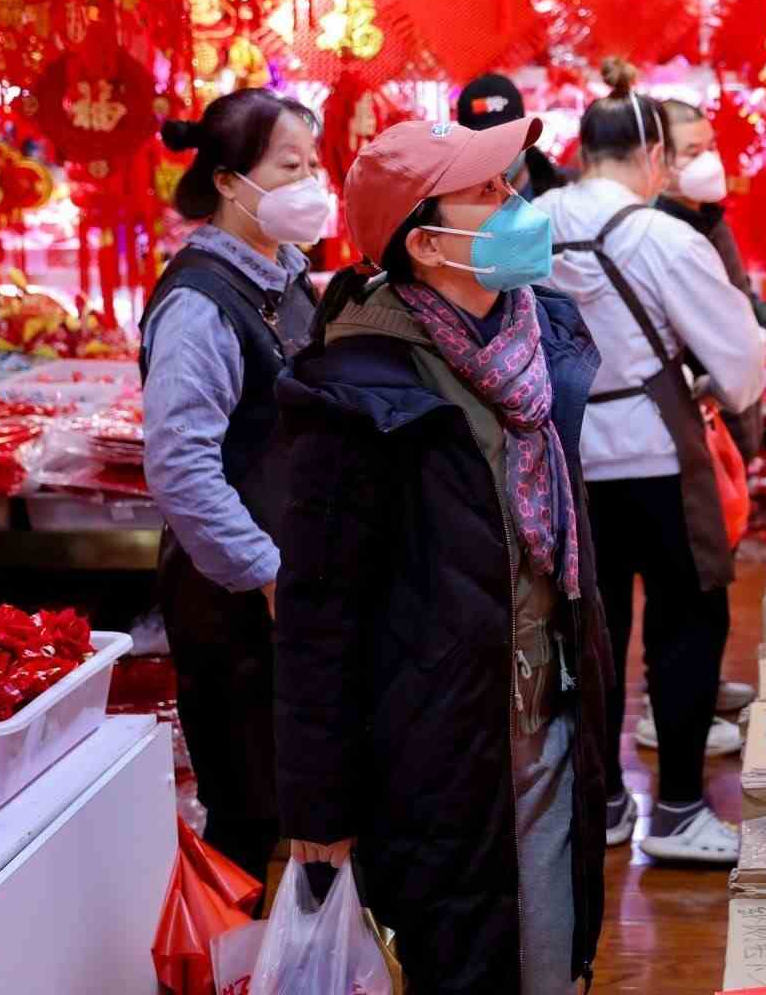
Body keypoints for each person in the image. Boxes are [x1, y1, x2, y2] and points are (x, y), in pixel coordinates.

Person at [271, 117, 613, 995]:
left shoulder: (541, 336)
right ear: (425, 243)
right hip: (436, 739)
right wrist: (318, 801)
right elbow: (317, 612)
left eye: (509, 182)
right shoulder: (353, 392)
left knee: (555, 952)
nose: (516, 202)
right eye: (487, 192)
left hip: (554, 705)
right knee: (469, 960)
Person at [539, 59, 766, 864]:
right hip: (658, 457)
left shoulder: (528, 225)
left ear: (581, 150)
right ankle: (676, 809)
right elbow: (739, 360)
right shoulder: (663, 236)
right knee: (686, 627)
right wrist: (716, 385)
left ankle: (600, 800)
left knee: (586, 634)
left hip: (564, 461)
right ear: (653, 157)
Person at [139, 88, 326, 882]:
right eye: (289, 167)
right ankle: (227, 946)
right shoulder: (199, 303)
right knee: (246, 809)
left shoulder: (286, 274)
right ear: (227, 180)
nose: (309, 184)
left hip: (294, 578)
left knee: (308, 794)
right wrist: (265, 572)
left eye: (313, 165)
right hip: (236, 597)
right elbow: (180, 464)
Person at [655, 98, 766, 459]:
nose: (709, 161)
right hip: (701, 421)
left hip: (737, 416)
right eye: (692, 152)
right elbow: (703, 326)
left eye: (711, 147)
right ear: (659, 160)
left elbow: (736, 293)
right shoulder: (665, 235)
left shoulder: (712, 220)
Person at [458, 71, 571, 198]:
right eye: (483, 144)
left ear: (526, 134)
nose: (496, 153)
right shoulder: (452, 204)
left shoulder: (564, 198)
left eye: (506, 138)